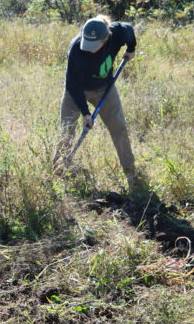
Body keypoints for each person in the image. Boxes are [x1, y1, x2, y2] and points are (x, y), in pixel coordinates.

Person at [55, 14, 142, 191]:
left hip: (105, 88)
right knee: (67, 131)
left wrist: (131, 48)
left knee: (119, 127)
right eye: (87, 43)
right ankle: (57, 174)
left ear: (106, 38)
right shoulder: (76, 49)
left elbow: (129, 30)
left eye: (95, 45)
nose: (89, 49)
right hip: (77, 91)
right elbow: (73, 85)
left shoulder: (117, 32)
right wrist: (86, 113)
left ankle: (131, 175)